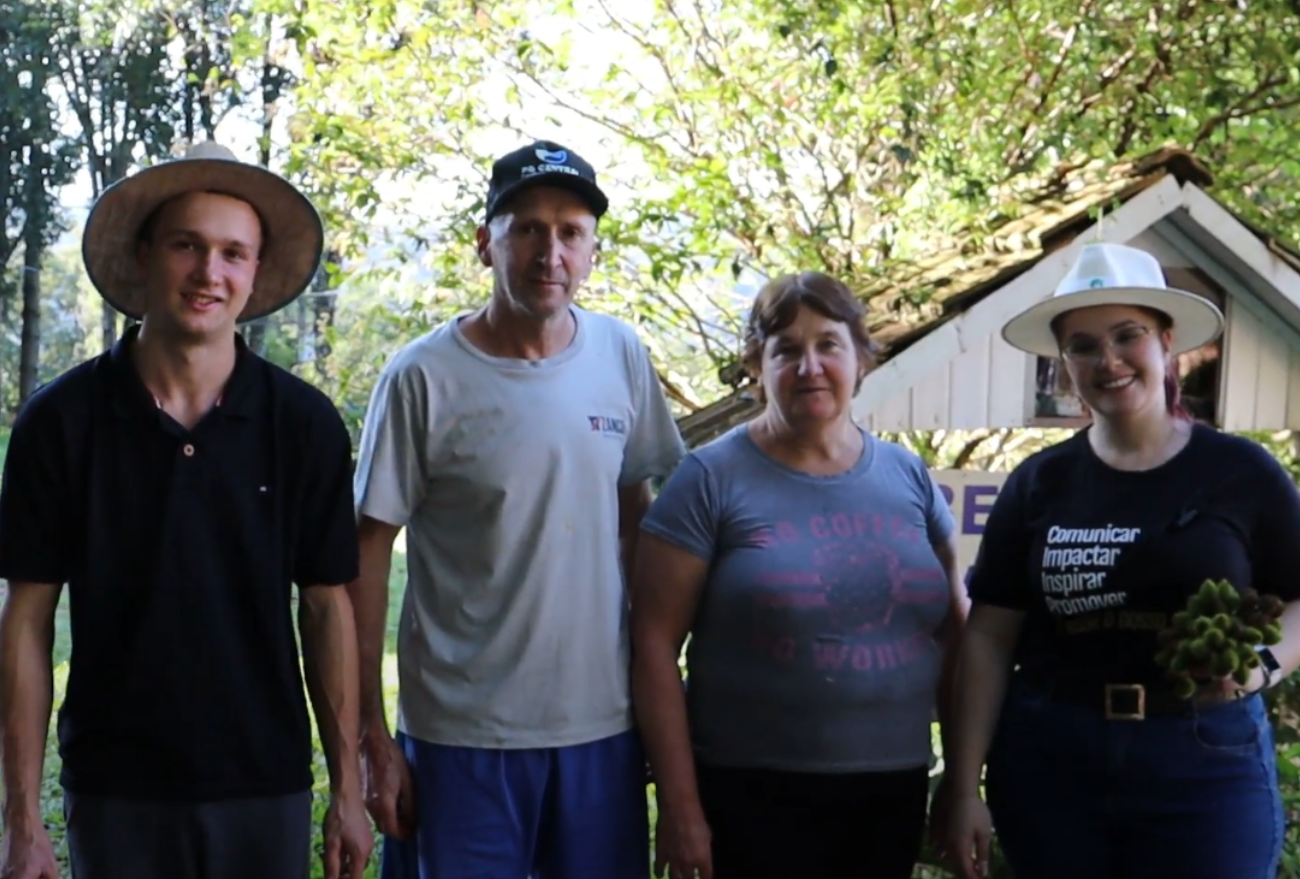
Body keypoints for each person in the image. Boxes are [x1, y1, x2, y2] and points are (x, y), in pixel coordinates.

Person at [0, 142, 373, 879]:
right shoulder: (61, 423)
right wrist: (20, 818)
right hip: (114, 787)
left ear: (256, 271)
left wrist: (349, 790)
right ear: (143, 255)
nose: (210, 272)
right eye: (187, 245)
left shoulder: (303, 425)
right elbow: (25, 619)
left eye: (234, 252)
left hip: (265, 783)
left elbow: (328, 607)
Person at [349, 139, 687, 879]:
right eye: (527, 228)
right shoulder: (423, 376)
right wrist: (371, 736)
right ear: (485, 242)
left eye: (570, 232)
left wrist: (658, 706)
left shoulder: (621, 355)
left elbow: (641, 521)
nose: (550, 251)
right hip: (459, 737)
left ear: (593, 250)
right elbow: (365, 557)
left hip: (601, 728)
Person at [943, 242, 1300, 879]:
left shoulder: (1240, 472)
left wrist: (1259, 665)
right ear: (1064, 364)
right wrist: (964, 786)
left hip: (1203, 758)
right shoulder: (1037, 484)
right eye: (1082, 345)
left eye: (1127, 335)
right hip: (1053, 760)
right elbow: (989, 641)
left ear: (1167, 343)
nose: (1106, 360)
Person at [631, 271, 968, 879]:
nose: (809, 366)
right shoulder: (708, 479)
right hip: (748, 793)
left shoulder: (908, 476)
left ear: (861, 358)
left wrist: (965, 782)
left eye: (828, 345)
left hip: (891, 788)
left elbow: (956, 633)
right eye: (786, 349)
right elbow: (653, 646)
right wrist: (679, 808)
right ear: (756, 365)